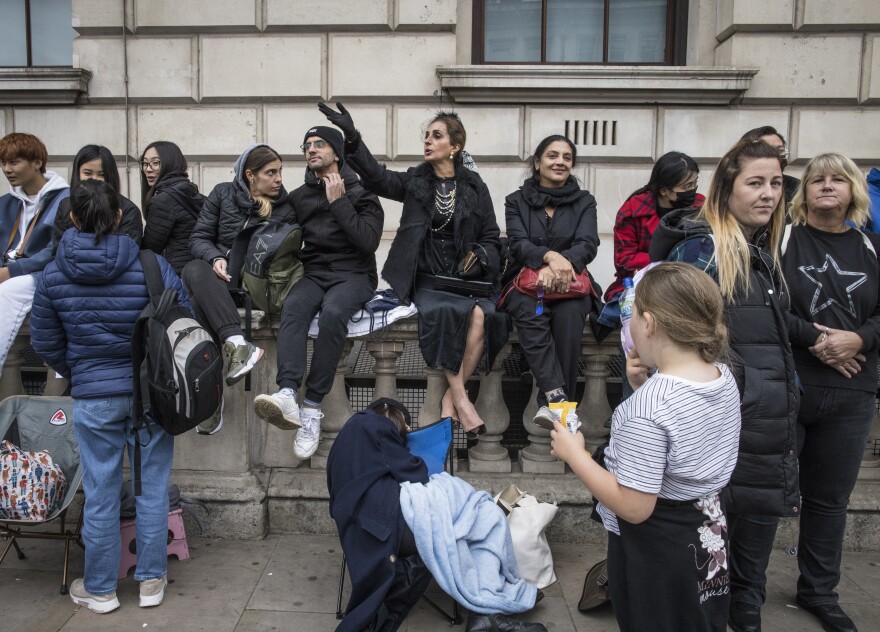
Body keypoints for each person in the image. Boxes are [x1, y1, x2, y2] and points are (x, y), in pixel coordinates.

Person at [648, 138, 824, 632]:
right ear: (726, 188)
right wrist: (739, 387)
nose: (769, 194)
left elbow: (769, 326)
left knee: (757, 527)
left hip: (768, 418)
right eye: (755, 183)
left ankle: (745, 612)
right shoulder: (703, 248)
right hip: (727, 419)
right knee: (711, 548)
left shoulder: (761, 251)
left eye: (775, 184)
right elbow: (671, 328)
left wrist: (816, 340)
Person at [551, 262, 741, 632]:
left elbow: (635, 506)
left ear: (649, 323)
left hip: (658, 549)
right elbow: (684, 433)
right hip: (707, 531)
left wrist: (576, 455)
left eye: (632, 314)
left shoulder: (647, 410)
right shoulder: (722, 374)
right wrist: (644, 385)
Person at [30, 179, 189, 613]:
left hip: (93, 395)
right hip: (151, 395)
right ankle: (151, 581)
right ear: (120, 217)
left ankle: (100, 589)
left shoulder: (52, 274)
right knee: (152, 488)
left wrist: (80, 367)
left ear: (73, 219)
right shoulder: (151, 264)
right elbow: (183, 319)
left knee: (99, 493)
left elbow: (44, 342)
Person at [320, 102, 507, 436]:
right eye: (426, 136)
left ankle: (451, 396)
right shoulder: (414, 182)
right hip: (426, 278)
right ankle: (463, 401)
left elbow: (492, 236)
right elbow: (375, 177)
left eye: (436, 136)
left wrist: (479, 253)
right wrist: (351, 136)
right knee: (441, 311)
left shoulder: (476, 188)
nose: (428, 141)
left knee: (484, 316)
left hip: (464, 278)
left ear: (455, 146)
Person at [328, 399, 547, 632]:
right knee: (480, 513)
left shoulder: (347, 442)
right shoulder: (372, 423)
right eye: (406, 426)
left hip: (361, 534)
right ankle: (486, 609)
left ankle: (485, 615)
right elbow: (415, 471)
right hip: (388, 524)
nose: (407, 431)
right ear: (388, 413)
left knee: (458, 528)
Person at [781, 153, 879, 632]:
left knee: (829, 501)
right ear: (805, 192)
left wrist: (859, 339)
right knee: (763, 494)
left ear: (853, 190)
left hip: (853, 392)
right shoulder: (784, 241)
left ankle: (819, 591)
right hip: (791, 384)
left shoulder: (872, 248)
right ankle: (742, 588)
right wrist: (817, 339)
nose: (825, 185)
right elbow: (766, 302)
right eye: (817, 178)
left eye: (837, 178)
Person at [253, 126, 383, 459]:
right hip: (314, 274)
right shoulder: (299, 197)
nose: (311, 150)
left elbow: (368, 242)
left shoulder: (362, 192)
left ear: (337, 153)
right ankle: (286, 392)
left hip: (354, 275)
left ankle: (311, 406)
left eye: (319, 144)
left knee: (335, 313)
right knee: (294, 307)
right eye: (307, 145)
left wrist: (339, 203)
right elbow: (273, 224)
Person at [185, 145, 293, 434]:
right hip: (218, 278)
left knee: (196, 307)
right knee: (194, 268)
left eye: (280, 171)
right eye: (271, 172)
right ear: (250, 175)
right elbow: (198, 239)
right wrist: (216, 258)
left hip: (254, 283)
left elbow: (281, 255)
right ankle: (236, 341)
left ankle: (210, 398)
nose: (279, 178)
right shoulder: (222, 193)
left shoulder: (285, 207)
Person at [503, 134, 598, 428]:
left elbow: (588, 243)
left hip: (571, 284)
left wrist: (560, 265)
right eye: (552, 155)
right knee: (532, 313)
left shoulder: (584, 201)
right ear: (537, 162)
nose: (560, 162)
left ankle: (554, 402)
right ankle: (559, 400)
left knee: (570, 317)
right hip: (529, 286)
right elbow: (518, 243)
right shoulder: (516, 201)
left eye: (567, 157)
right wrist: (548, 259)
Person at [0, 133, 69, 377]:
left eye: (14, 162)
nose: (7, 169)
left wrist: (11, 271)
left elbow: (56, 249)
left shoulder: (65, 198)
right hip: (12, 274)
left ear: (37, 162)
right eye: (3, 163)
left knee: (7, 291)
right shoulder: (6, 203)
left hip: (45, 275)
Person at [604, 151, 703, 302]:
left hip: (689, 285)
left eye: (695, 183)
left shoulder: (701, 208)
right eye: (687, 186)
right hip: (640, 283)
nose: (693, 190)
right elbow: (624, 259)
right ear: (664, 190)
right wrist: (668, 262)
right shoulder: (632, 212)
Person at [53, 144, 143, 251]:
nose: (94, 179)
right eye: (87, 173)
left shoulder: (129, 210)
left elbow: (129, 251)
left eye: (102, 174)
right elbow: (58, 250)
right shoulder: (65, 205)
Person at [140, 141, 204, 274]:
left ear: (170, 164)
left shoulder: (162, 200)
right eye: (145, 163)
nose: (148, 169)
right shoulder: (192, 193)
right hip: (196, 272)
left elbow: (150, 248)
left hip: (173, 276)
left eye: (155, 163)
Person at [740, 126, 800, 208]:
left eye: (780, 151)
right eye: (768, 150)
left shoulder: (796, 188)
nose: (776, 156)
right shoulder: (735, 184)